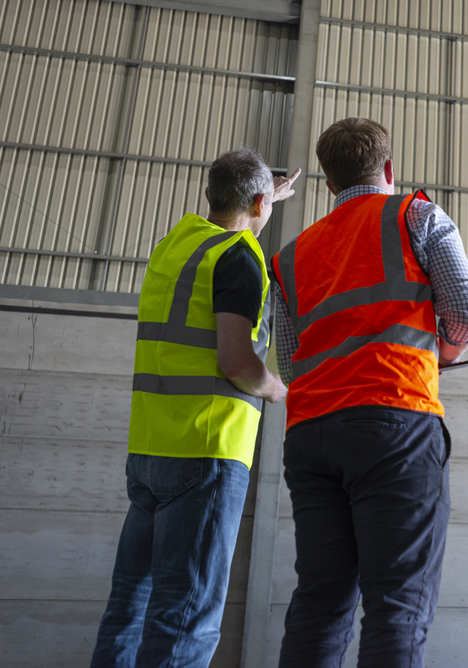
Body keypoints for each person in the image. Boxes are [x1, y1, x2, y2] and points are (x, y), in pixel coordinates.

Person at [271, 117, 468, 668]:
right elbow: (466, 313)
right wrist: (444, 354)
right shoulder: (415, 215)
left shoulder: (292, 257)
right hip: (395, 424)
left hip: (311, 435)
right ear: (388, 170)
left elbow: (292, 364)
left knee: (319, 605)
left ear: (328, 184)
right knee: (397, 607)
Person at [91, 148, 300, 668]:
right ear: (256, 202)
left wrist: (260, 197)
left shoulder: (174, 246)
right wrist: (277, 388)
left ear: (208, 195)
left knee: (129, 609)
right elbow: (237, 361)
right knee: (184, 619)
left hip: (149, 453)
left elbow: (232, 209)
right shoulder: (240, 255)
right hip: (206, 455)